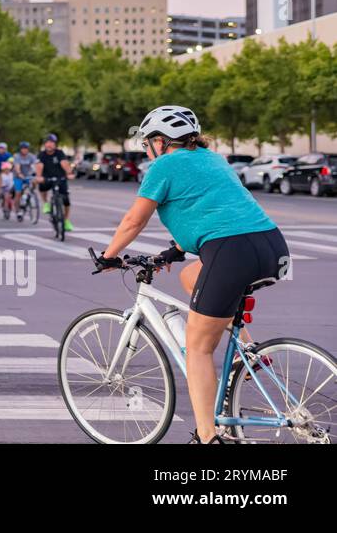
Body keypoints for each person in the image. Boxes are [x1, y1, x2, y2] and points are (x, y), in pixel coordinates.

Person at [97, 105, 287, 444]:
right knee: (191, 276)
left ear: (160, 141)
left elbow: (133, 221)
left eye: (147, 143)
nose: (147, 150)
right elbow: (215, 211)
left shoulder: (164, 165)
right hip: (271, 246)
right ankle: (247, 349)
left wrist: (109, 256)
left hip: (231, 253)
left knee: (197, 348)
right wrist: (176, 249)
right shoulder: (213, 159)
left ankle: (207, 437)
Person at [35, 133, 75, 230]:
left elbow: (64, 163)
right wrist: (39, 176)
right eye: (47, 142)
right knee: (42, 186)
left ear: (55, 144)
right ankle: (45, 203)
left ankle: (66, 220)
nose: (49, 144)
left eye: (52, 142)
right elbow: (39, 165)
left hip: (60, 178)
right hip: (47, 178)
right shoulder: (42, 154)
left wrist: (69, 173)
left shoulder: (59, 153)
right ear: (45, 144)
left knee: (66, 201)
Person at [10, 141, 37, 221]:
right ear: (20, 149)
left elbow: (35, 165)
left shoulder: (31, 156)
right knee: (18, 193)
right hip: (18, 177)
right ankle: (18, 211)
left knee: (34, 182)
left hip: (28, 176)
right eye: (23, 149)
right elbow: (17, 166)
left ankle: (30, 193)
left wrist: (36, 173)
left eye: (26, 149)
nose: (25, 150)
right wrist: (19, 173)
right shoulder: (17, 156)